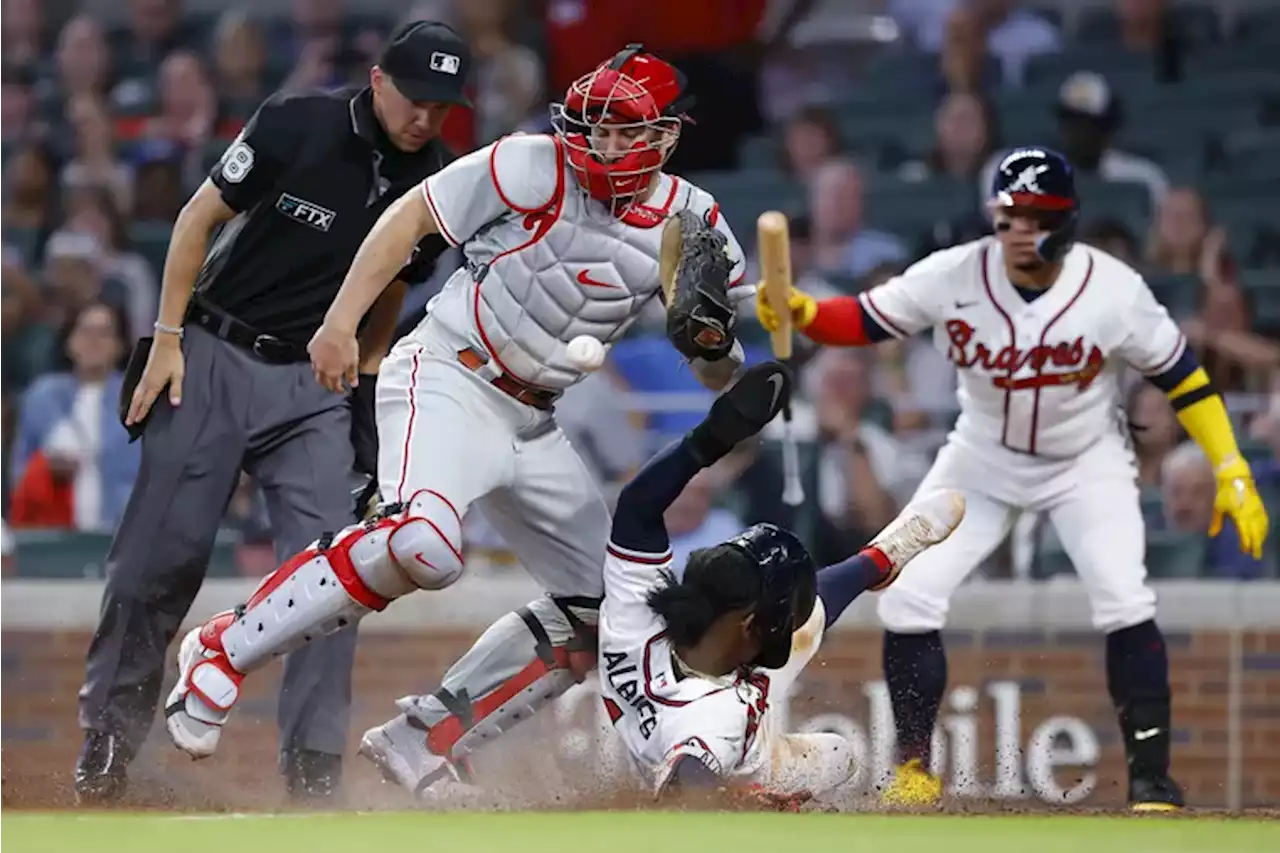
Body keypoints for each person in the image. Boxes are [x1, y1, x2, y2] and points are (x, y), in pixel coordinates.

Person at [160, 45, 755, 797]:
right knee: (425, 545)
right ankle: (222, 648)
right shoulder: (529, 164)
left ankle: (422, 739)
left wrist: (710, 340)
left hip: (536, 420)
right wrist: (342, 321)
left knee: (610, 615)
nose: (603, 146)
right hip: (449, 373)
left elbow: (715, 366)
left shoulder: (698, 220)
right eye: (594, 128)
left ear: (665, 136)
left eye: (624, 131)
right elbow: (409, 218)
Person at [756, 146, 1270, 811]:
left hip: (1085, 458)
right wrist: (801, 311)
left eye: (1036, 215)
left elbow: (1185, 380)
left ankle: (1151, 780)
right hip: (983, 454)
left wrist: (1230, 463)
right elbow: (866, 317)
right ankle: (914, 769)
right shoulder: (957, 272)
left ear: (1067, 219)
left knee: (1123, 596)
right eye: (1009, 214)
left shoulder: (1113, 287)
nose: (1019, 229)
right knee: (909, 595)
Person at [72, 20, 468, 804]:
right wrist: (166, 337)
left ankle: (313, 770)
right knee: (157, 560)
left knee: (335, 578)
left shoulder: (438, 183)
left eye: (442, 106)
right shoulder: (298, 122)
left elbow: (393, 285)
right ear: (380, 80)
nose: (426, 117)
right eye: (416, 98)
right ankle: (108, 745)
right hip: (213, 351)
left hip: (311, 383)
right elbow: (196, 219)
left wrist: (364, 374)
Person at [595, 360, 964, 803]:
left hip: (704, 684)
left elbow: (636, 506)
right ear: (750, 623)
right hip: (742, 758)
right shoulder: (718, 716)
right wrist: (741, 805)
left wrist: (712, 437)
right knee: (838, 756)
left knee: (809, 642)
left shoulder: (636, 614)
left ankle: (882, 557)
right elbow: (685, 794)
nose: (792, 612)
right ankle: (759, 795)